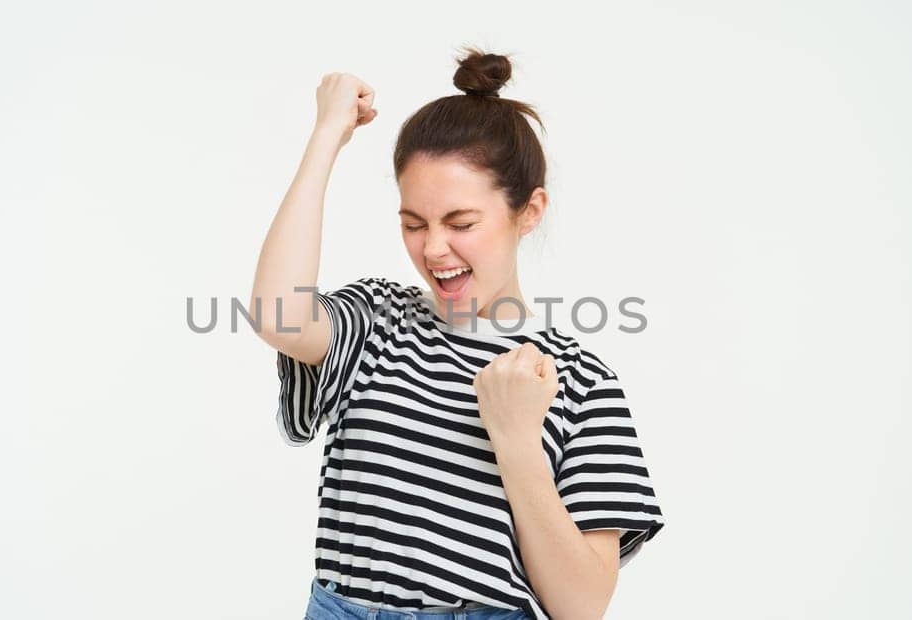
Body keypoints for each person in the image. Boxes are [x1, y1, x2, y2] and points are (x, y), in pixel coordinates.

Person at [250, 46, 664, 620]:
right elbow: (278, 316)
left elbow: (581, 606)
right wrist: (327, 136)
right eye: (413, 223)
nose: (434, 249)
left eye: (461, 223)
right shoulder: (376, 320)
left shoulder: (581, 382)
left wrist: (517, 440)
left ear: (530, 210)